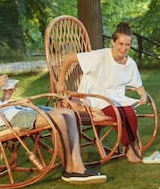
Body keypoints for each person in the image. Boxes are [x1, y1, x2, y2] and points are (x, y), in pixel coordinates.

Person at [0, 33, 106, 185]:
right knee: (56, 118)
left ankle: (78, 166)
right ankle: (71, 170)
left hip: (8, 112)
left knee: (68, 113)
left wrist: (4, 98)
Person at [56, 22, 150, 163]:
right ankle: (127, 148)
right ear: (113, 42)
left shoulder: (130, 64)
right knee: (117, 114)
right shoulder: (100, 56)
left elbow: (139, 86)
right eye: (121, 43)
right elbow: (69, 58)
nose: (124, 48)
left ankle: (132, 143)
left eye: (128, 45)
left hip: (116, 95)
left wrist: (143, 96)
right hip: (95, 95)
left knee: (130, 114)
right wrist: (61, 80)